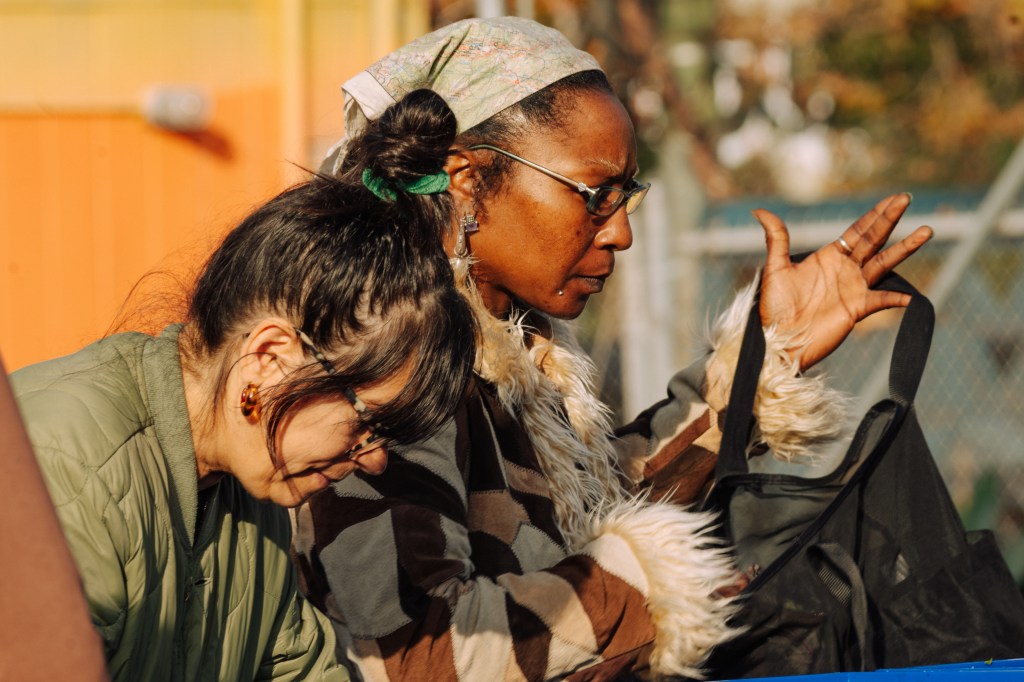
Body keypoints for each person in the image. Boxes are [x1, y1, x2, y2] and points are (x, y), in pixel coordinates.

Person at [292, 16, 934, 681]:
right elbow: (420, 658)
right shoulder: (386, 363)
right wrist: (646, 590)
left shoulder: (513, 350)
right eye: (596, 196)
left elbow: (591, 512)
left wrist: (762, 358)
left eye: (627, 196)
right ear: (466, 180)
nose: (621, 232)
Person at [8, 89, 476, 681]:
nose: (375, 459)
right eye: (368, 423)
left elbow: (297, 665)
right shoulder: (64, 469)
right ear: (270, 357)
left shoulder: (248, 491)